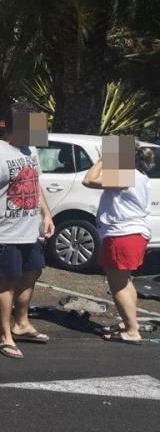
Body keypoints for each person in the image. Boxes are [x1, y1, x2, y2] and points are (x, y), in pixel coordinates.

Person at [0, 102, 55, 359]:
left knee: (32, 274)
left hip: (30, 231)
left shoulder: (30, 150)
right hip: (5, 233)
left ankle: (22, 323)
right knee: (7, 285)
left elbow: (34, 183)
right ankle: (5, 336)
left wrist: (47, 214)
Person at [82, 146, 156, 344]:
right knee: (125, 281)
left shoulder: (125, 176)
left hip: (121, 235)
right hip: (135, 234)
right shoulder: (139, 176)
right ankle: (129, 323)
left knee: (117, 285)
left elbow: (88, 180)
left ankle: (132, 330)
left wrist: (102, 160)